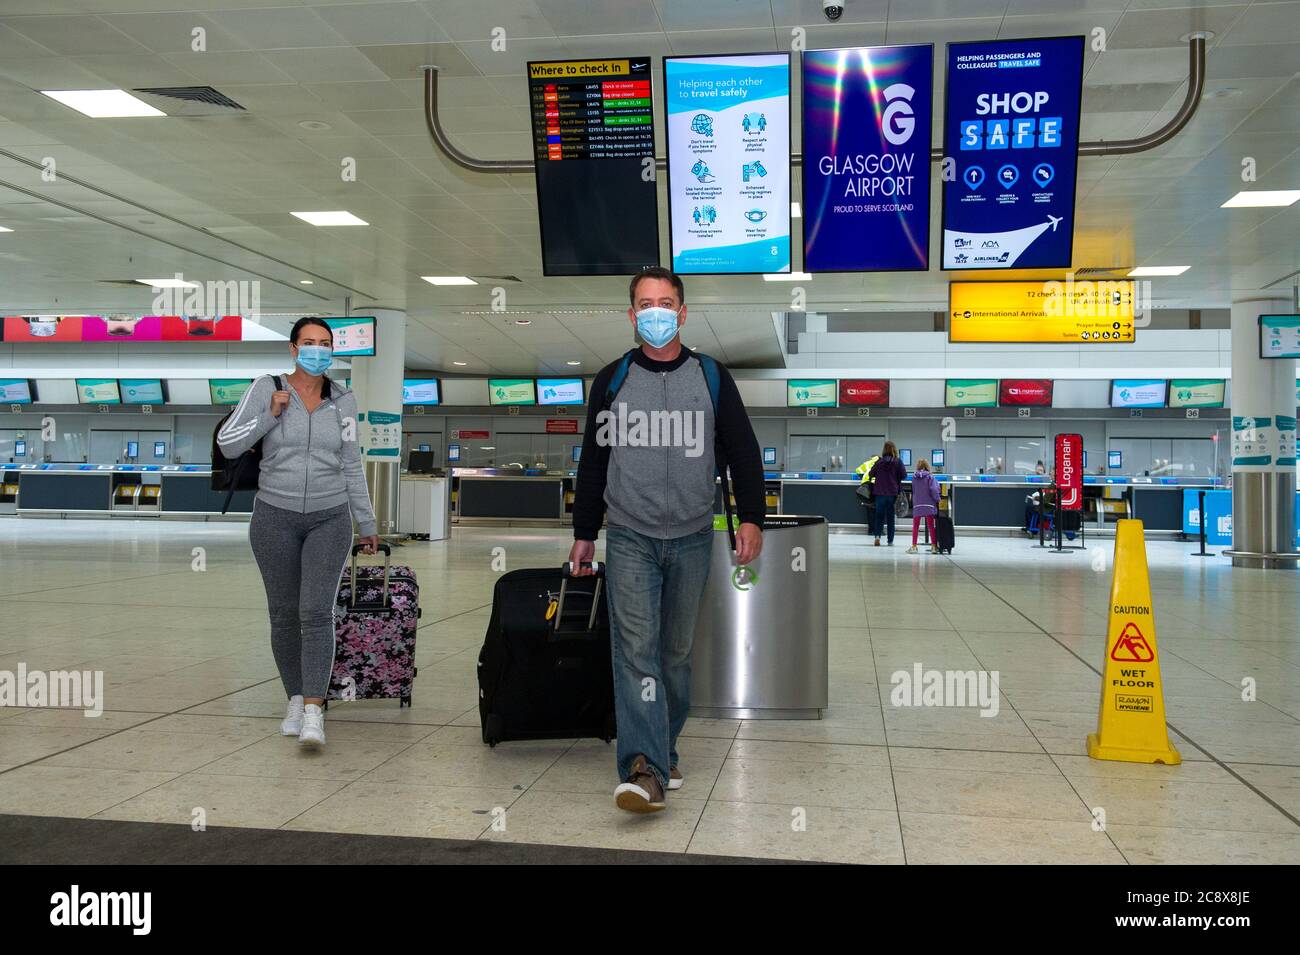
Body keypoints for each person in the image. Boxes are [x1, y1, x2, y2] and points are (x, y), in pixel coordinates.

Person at [569, 266, 765, 814]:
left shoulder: (711, 377)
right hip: (629, 533)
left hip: (693, 534)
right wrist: (585, 531)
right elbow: (594, 462)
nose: (655, 312)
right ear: (632, 315)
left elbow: (743, 451)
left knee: (674, 655)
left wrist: (752, 517)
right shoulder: (612, 379)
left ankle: (664, 746)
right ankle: (643, 767)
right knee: (636, 653)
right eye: (644, 303)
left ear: (681, 312)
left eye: (665, 302)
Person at [217, 317, 379, 749]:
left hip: (330, 517)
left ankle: (313, 709)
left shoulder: (343, 400)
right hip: (274, 517)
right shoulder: (265, 387)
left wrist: (367, 522)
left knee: (315, 612)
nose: (317, 350)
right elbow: (229, 444)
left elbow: (350, 462)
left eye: (324, 344)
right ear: (293, 349)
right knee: (284, 615)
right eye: (308, 343)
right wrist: (269, 416)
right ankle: (294, 697)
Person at [868, 441, 907, 546]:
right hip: (892, 494)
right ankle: (890, 541)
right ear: (894, 449)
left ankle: (877, 537)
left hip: (879, 493)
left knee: (879, 516)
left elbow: (870, 474)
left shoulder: (879, 462)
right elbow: (904, 475)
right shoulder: (898, 462)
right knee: (890, 518)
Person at [907, 459, 941, 554]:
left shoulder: (914, 477)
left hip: (917, 504)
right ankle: (934, 546)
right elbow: (933, 489)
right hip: (929, 504)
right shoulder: (930, 477)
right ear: (927, 466)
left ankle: (914, 546)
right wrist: (937, 499)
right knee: (931, 526)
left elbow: (913, 490)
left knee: (915, 526)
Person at [855, 451, 880, 537]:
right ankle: (878, 530)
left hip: (868, 487)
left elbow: (858, 470)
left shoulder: (867, 463)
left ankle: (871, 530)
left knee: (870, 508)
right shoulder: (881, 463)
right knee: (879, 508)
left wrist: (863, 477)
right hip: (878, 487)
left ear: (871, 458)